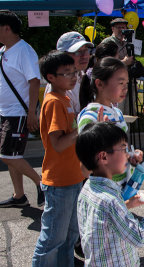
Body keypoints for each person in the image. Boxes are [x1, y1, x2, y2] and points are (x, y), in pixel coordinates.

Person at [76, 121, 144, 266]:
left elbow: (104, 219)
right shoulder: (110, 201)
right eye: (123, 149)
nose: (128, 155)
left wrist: (128, 204)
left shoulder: (87, 189)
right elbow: (139, 237)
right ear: (103, 157)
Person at [32, 51, 84, 266]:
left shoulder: (65, 98)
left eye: (74, 72)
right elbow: (58, 144)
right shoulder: (54, 101)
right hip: (59, 181)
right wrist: (83, 127)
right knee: (53, 238)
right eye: (67, 73)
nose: (73, 77)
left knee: (70, 236)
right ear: (51, 77)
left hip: (72, 178)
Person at [0, 10, 44, 208]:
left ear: (7, 28)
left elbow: (34, 81)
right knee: (12, 156)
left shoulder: (24, 50)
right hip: (5, 111)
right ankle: (19, 196)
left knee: (6, 156)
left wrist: (31, 112)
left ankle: (41, 182)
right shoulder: (3, 51)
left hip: (19, 112)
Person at [78, 57, 143, 188]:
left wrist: (131, 156)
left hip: (122, 188)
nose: (125, 88)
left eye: (126, 83)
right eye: (120, 83)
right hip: (105, 192)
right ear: (100, 84)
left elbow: (117, 152)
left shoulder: (116, 112)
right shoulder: (90, 117)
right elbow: (85, 170)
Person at [44, 31, 94, 115]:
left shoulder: (83, 76)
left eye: (86, 50)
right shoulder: (58, 85)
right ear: (62, 56)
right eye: (77, 52)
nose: (85, 56)